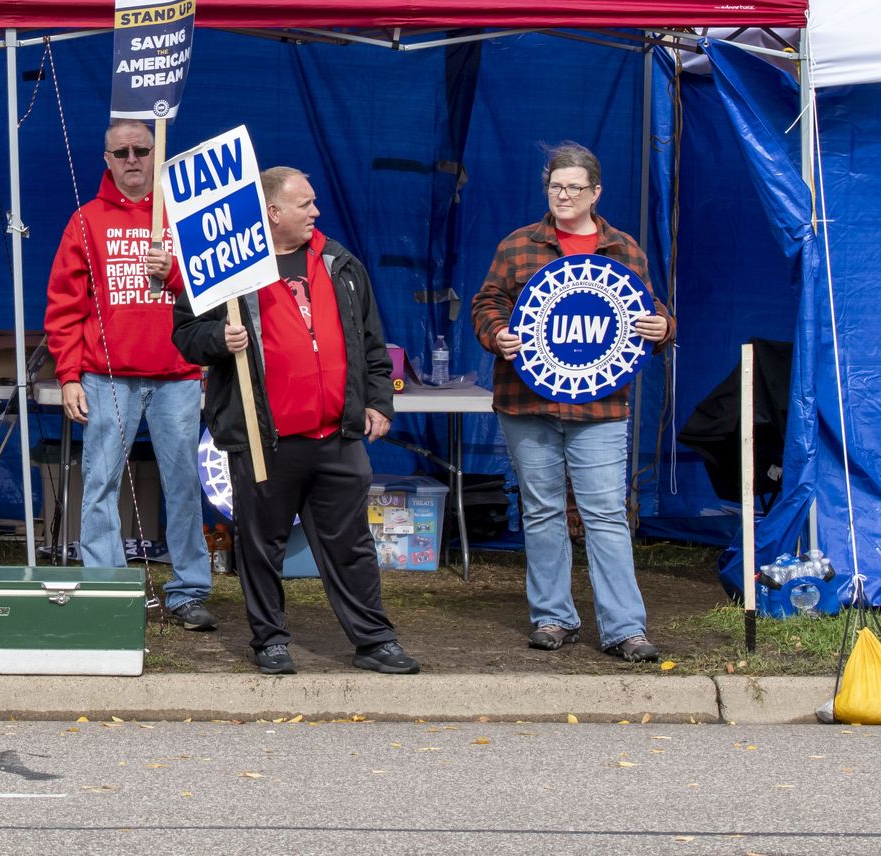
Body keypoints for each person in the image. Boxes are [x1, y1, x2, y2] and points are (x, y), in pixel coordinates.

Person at [173, 167, 418, 676]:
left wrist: (377, 403)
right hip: (267, 439)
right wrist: (220, 340)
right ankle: (269, 640)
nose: (316, 211)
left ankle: (374, 639)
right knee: (262, 545)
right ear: (272, 212)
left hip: (337, 434)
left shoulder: (340, 265)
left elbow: (373, 345)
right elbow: (186, 334)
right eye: (305, 203)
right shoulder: (227, 269)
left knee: (351, 545)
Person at [471, 142, 673, 663]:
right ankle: (553, 618)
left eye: (574, 188)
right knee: (540, 511)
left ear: (595, 192)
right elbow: (487, 302)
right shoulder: (518, 245)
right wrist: (497, 333)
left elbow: (648, 309)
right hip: (526, 402)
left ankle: (625, 628)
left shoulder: (624, 249)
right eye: (555, 187)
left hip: (600, 406)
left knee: (605, 513)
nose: (563, 195)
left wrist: (662, 326)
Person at [43, 118, 215, 631]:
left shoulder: (183, 215)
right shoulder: (86, 221)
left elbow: (213, 286)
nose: (133, 159)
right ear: (107, 160)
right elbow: (64, 306)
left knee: (183, 483)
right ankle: (106, 587)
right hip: (106, 374)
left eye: (143, 149)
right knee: (99, 481)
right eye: (122, 152)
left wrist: (175, 274)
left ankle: (188, 590)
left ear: (157, 154)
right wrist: (69, 374)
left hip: (177, 372)